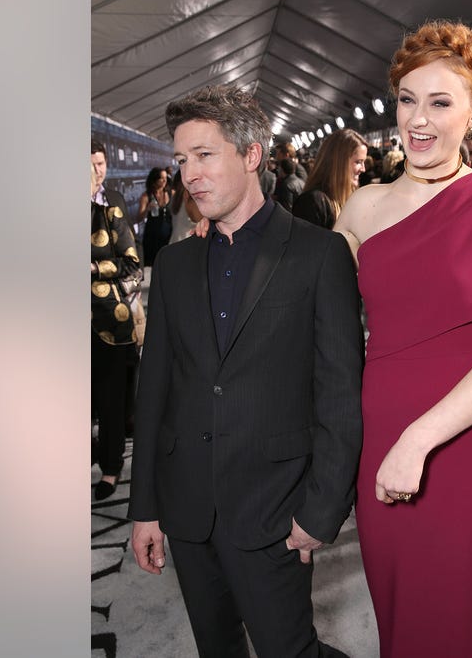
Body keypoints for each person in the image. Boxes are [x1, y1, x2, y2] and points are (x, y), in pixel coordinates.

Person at [333, 20, 472, 657]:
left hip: (465, 449)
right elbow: (305, 307)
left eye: (440, 102)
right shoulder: (362, 209)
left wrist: (418, 441)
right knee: (400, 628)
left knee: (458, 631)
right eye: (407, 100)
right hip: (378, 442)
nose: (418, 119)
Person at [128, 84, 363, 658]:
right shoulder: (176, 263)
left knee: (289, 649)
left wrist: (321, 511)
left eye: (205, 155)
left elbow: (339, 396)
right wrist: (145, 508)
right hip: (187, 509)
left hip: (274, 510)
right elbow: (155, 388)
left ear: (252, 155)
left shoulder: (318, 254)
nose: (189, 174)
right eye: (182, 160)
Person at [91, 140, 142, 501]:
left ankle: (110, 469)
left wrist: (92, 268)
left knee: (110, 400)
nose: (97, 172)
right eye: (90, 165)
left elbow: (131, 267)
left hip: (109, 322)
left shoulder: (112, 208)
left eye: (100, 164)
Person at [291, 128, 367, 230]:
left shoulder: (352, 197)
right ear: (339, 162)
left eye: (363, 162)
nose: (363, 169)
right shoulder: (313, 202)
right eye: (358, 162)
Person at [140, 167, 174, 266]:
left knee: (168, 264)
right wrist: (147, 209)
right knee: (155, 265)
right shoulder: (147, 196)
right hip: (153, 237)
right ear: (154, 180)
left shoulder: (170, 193)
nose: (164, 180)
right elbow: (139, 218)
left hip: (168, 236)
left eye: (165, 178)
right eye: (161, 178)